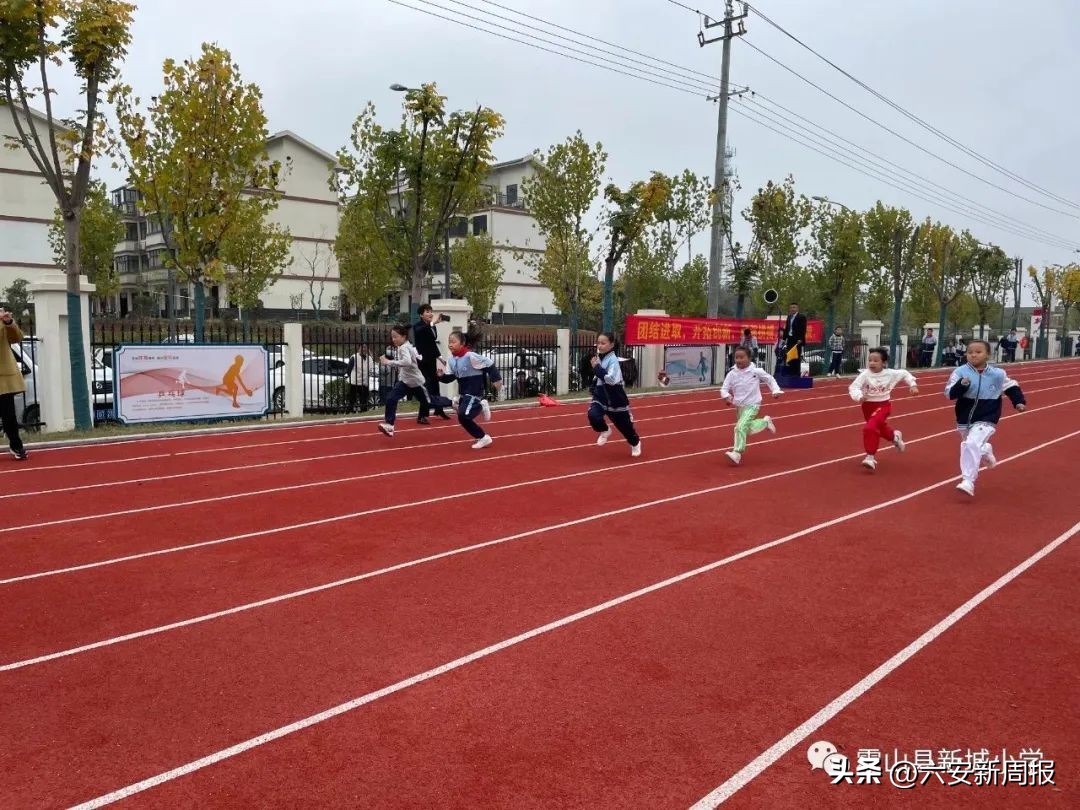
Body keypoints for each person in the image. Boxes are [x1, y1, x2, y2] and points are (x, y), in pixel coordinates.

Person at [945, 339, 1026, 497]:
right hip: (964, 417)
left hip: (988, 415)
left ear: (988, 355)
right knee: (971, 442)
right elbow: (949, 394)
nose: (973, 355)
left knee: (971, 443)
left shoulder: (997, 374)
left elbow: (1011, 386)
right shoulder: (960, 372)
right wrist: (961, 385)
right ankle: (985, 449)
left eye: (978, 352)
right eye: (970, 352)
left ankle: (968, 480)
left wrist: (1019, 402)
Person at [848, 347, 919, 472]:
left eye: (876, 360)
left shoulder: (890, 373)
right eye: (870, 360)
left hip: (883, 405)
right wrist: (859, 396)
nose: (872, 363)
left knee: (870, 427)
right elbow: (853, 387)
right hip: (867, 406)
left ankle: (870, 457)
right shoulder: (865, 375)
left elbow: (904, 373)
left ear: (884, 363)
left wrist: (913, 385)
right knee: (878, 428)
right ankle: (895, 437)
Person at [437, 329, 502, 449]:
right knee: (462, 417)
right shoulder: (451, 360)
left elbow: (489, 364)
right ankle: (481, 409)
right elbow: (451, 377)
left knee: (463, 415)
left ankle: (483, 437)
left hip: (474, 391)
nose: (450, 344)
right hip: (464, 393)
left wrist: (496, 380)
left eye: (453, 341)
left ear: (462, 343)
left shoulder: (470, 356)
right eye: (449, 342)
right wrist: (441, 377)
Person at [719, 345, 782, 466]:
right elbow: (724, 388)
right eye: (736, 357)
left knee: (739, 427)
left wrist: (775, 390)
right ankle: (765, 422)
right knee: (746, 429)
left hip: (753, 405)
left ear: (749, 358)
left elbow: (770, 379)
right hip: (739, 406)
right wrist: (726, 396)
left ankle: (737, 453)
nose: (738, 360)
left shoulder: (756, 371)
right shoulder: (732, 374)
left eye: (742, 357)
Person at [378, 325, 446, 436]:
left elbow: (407, 362)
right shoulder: (406, 346)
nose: (393, 339)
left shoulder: (404, 347)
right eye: (392, 337)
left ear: (404, 337)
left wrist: (388, 362)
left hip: (417, 383)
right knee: (391, 398)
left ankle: (453, 403)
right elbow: (418, 358)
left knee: (431, 401)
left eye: (396, 337)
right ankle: (390, 425)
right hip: (405, 382)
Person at [588, 332, 641, 457]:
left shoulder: (613, 361)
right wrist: (593, 384)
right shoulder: (598, 357)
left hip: (615, 397)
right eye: (598, 343)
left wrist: (596, 368)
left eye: (603, 343)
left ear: (611, 345)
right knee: (593, 415)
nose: (599, 346)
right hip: (601, 395)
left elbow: (611, 380)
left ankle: (635, 442)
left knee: (625, 428)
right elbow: (598, 376)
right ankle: (605, 430)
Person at [411, 304, 451, 420]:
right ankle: (422, 415)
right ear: (421, 314)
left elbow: (432, 342)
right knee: (427, 387)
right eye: (427, 312)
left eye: (431, 311)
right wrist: (433, 324)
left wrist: (440, 357)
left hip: (432, 360)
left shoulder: (431, 326)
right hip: (423, 362)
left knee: (435, 385)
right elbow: (421, 331)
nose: (430, 314)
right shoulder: (418, 326)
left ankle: (439, 410)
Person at [0, 306, 28, 461]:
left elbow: (17, 338)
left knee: (9, 415)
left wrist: (9, 322)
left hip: (3, 377)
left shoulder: (3, 322)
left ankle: (16, 445)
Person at [781, 302, 807, 377]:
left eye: (794, 307)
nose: (792, 309)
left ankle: (796, 373)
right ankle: (791, 372)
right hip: (790, 339)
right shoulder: (789, 317)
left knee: (796, 356)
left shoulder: (801, 317)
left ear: (797, 308)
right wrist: (784, 339)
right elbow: (787, 329)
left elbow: (803, 329)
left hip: (797, 340)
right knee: (790, 355)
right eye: (791, 307)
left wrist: (800, 339)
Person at [345, 344, 373, 413]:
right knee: (352, 400)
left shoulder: (369, 358)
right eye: (362, 347)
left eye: (366, 347)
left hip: (364, 383)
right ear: (359, 348)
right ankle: (349, 412)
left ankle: (363, 412)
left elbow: (371, 369)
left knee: (364, 400)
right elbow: (348, 370)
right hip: (355, 382)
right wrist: (350, 377)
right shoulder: (354, 357)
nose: (364, 349)